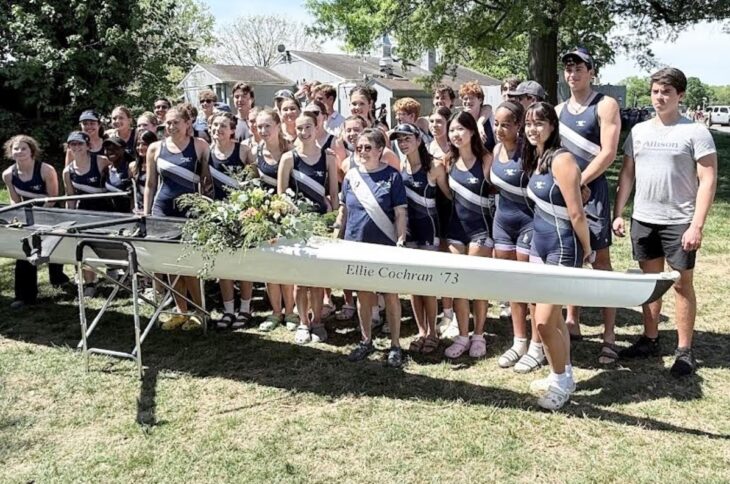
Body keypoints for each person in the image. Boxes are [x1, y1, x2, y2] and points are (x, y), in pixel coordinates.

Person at [613, 68, 717, 377]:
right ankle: (650, 338)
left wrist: (696, 225)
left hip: (679, 221)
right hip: (644, 219)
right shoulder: (639, 131)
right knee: (651, 283)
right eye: (655, 91)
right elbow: (627, 174)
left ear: (680, 95)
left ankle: (684, 351)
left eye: (666, 92)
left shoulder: (695, 132)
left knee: (682, 285)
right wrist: (619, 212)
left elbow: (708, 179)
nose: (659, 97)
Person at [524, 102, 592, 410]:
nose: (533, 129)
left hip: (563, 247)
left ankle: (561, 384)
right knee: (553, 321)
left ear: (553, 126)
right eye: (529, 123)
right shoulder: (538, 158)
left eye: (539, 123)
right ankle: (561, 374)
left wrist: (587, 250)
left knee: (542, 324)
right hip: (540, 245)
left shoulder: (562, 159)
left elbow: (577, 212)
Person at [556, 47, 621, 364]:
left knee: (600, 262)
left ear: (592, 72)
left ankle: (609, 335)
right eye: (568, 68)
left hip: (592, 193)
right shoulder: (558, 110)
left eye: (579, 68)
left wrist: (579, 181)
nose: (573, 73)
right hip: (566, 195)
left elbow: (608, 152)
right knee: (571, 258)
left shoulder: (605, 105)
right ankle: (572, 321)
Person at [336, 128, 407, 367]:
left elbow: (400, 212)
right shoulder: (350, 176)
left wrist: (400, 240)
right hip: (356, 245)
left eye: (368, 147)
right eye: (359, 148)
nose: (363, 152)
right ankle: (366, 340)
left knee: (390, 295)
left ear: (380, 150)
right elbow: (343, 211)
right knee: (363, 295)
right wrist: (336, 237)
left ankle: (395, 345)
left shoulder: (392, 176)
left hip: (385, 245)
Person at [144, 105, 211, 331]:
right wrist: (147, 214)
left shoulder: (199, 145)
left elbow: (207, 182)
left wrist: (207, 210)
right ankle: (181, 311)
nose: (171, 126)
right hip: (162, 210)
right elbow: (150, 184)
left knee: (189, 264)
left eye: (176, 122)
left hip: (190, 212)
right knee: (169, 264)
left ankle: (200, 312)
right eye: (168, 123)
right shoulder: (155, 148)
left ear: (187, 123)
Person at [490, 101, 545, 372]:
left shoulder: (530, 152)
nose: (499, 129)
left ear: (519, 126)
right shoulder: (496, 149)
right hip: (502, 224)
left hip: (529, 224)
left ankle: (537, 345)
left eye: (506, 125)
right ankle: (519, 341)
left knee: (529, 285)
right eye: (496, 124)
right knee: (512, 284)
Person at [278, 111, 339, 344]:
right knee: (300, 278)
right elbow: (281, 195)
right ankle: (303, 322)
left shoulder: (328, 157)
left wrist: (334, 223)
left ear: (317, 127)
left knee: (318, 277)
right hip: (297, 227)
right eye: (299, 128)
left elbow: (333, 194)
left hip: (321, 224)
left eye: (308, 127)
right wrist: (293, 215)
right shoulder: (289, 158)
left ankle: (318, 321)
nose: (303, 132)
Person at [390, 123, 450, 355]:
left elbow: (448, 197)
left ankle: (433, 332)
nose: (403, 143)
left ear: (418, 139)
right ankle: (421, 330)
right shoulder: (401, 165)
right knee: (413, 283)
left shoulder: (434, 166)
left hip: (429, 229)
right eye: (399, 140)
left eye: (407, 138)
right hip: (410, 230)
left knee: (428, 283)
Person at [442, 111, 494, 359]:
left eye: (460, 129)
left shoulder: (486, 159)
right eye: (452, 130)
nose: (456, 134)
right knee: (458, 282)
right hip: (455, 231)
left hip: (481, 230)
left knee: (478, 283)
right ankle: (463, 335)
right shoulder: (448, 161)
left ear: (472, 131)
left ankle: (479, 335)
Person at [3, 135, 70, 308]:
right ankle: (24, 296)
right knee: (25, 252)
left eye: (23, 148)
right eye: (16, 149)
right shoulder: (8, 175)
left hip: (51, 213)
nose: (20, 152)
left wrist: (40, 216)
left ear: (32, 151)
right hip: (28, 215)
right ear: (10, 152)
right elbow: (14, 201)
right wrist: (20, 218)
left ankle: (59, 279)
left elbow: (53, 197)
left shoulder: (46, 170)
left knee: (54, 248)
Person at [206, 111, 256, 331]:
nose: (218, 129)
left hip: (243, 215)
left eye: (223, 125)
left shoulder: (243, 151)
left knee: (243, 263)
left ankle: (245, 308)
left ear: (233, 130)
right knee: (223, 264)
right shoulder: (207, 152)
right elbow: (205, 183)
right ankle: (228, 310)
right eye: (215, 125)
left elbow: (255, 181)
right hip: (219, 215)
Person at [252, 108, 298, 332]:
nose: (263, 130)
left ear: (278, 126)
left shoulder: (290, 149)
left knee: (286, 263)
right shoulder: (255, 151)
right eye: (259, 126)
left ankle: (290, 311)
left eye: (267, 126)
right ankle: (276, 311)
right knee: (269, 265)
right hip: (264, 215)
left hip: (288, 214)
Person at [63, 131, 113, 297]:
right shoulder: (68, 171)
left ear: (88, 146)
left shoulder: (100, 161)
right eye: (73, 144)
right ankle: (90, 283)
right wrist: (69, 218)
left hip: (106, 210)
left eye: (80, 144)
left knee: (109, 245)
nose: (76, 147)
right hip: (84, 212)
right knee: (85, 247)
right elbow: (70, 197)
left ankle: (116, 272)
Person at [459, 80, 496, 152]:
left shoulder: (491, 119)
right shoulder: (460, 120)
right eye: (465, 98)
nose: (468, 101)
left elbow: (499, 144)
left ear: (480, 100)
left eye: (471, 98)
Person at [102, 136, 134, 213]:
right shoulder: (106, 170)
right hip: (111, 214)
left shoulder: (131, 168)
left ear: (123, 149)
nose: (110, 152)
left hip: (129, 215)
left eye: (115, 148)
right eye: (107, 149)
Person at [130, 129, 158, 214]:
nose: (140, 147)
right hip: (138, 210)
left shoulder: (158, 166)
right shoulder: (133, 166)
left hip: (154, 210)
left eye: (144, 144)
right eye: (138, 144)